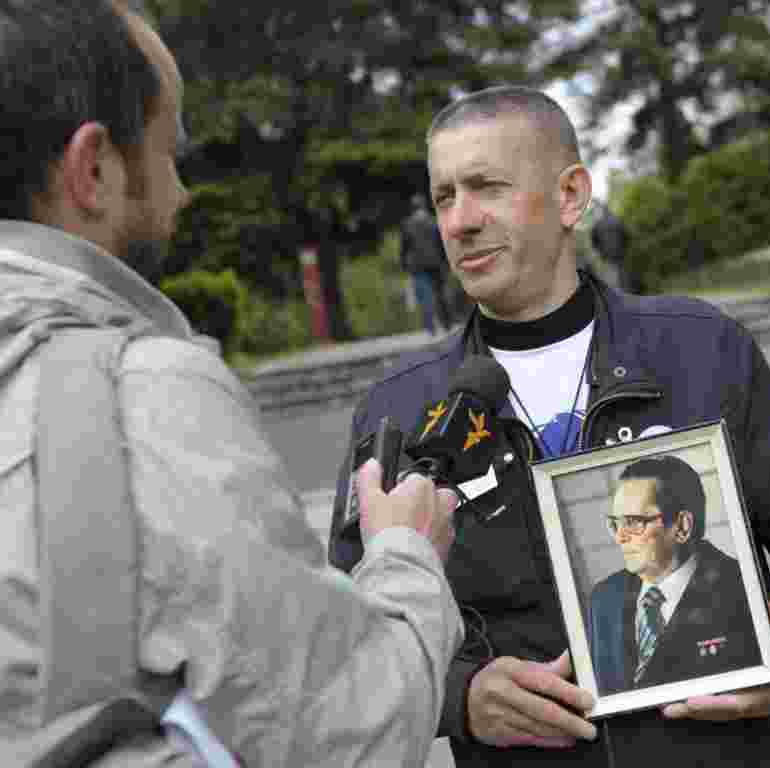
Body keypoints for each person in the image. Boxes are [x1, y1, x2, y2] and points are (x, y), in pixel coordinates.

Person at [331, 85, 770, 767]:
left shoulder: (700, 349)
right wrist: (460, 696)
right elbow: (347, 628)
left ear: (571, 197)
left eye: (486, 187)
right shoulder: (400, 407)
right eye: (445, 196)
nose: (459, 221)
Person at [0, 2, 463, 766]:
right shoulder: (135, 391)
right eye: (168, 154)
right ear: (92, 170)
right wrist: (406, 551)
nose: (182, 195)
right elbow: (351, 733)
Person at [588, 456, 761, 696]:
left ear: (682, 527)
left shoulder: (743, 591)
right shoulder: (603, 598)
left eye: (633, 522)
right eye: (616, 524)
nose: (619, 537)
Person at [400, 193, 452, 335]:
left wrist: (404, 264)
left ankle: (430, 328)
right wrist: (446, 262)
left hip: (417, 266)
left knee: (425, 296)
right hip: (436, 263)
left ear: (412, 208)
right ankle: (447, 323)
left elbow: (404, 248)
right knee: (440, 293)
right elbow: (441, 244)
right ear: (424, 206)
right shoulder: (433, 221)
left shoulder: (407, 225)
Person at [589, 199, 635, 293]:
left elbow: (594, 240)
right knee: (621, 275)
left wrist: (600, 252)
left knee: (609, 276)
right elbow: (627, 236)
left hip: (606, 255)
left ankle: (613, 294)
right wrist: (623, 248)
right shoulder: (617, 221)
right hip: (619, 253)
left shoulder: (598, 224)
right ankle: (625, 293)